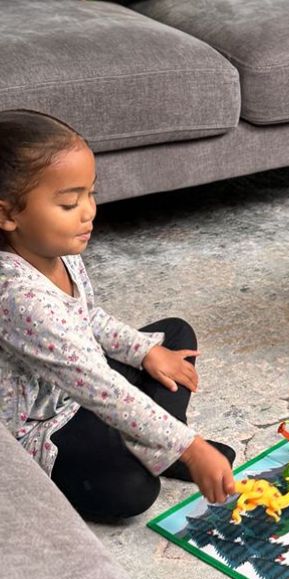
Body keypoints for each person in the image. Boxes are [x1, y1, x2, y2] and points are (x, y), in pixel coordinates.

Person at [0, 109, 237, 519]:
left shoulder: (57, 251)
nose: (88, 212)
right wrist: (192, 448)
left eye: (90, 194)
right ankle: (158, 445)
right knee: (133, 491)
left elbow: (88, 317)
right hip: (44, 425)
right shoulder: (19, 296)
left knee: (174, 337)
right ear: (7, 215)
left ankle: (151, 441)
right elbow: (98, 386)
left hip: (84, 389)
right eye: (69, 202)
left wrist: (146, 352)